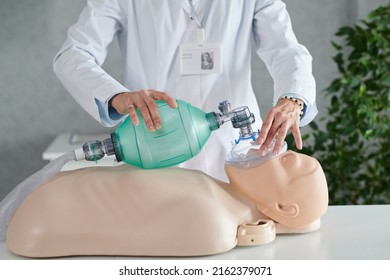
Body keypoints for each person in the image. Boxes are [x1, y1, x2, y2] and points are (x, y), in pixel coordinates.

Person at [53, 0, 317, 182]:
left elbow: (287, 51)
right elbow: (73, 55)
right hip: (157, 150)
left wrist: (292, 98)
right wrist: (118, 97)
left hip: (237, 151)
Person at [6, 149, 328, 257]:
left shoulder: (214, 226)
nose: (271, 150)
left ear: (283, 209)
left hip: (42, 221)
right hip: (43, 212)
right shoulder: (215, 195)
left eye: (286, 161)